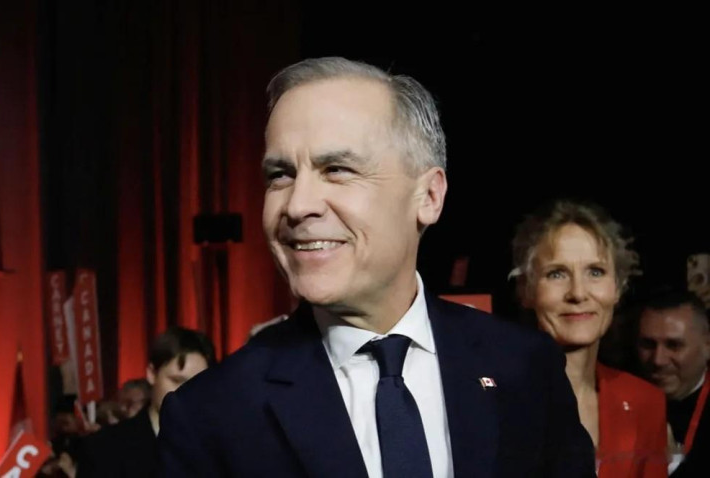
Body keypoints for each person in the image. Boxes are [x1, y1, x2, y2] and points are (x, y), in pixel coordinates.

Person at [159, 57, 594, 477]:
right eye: (280, 175)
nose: (297, 205)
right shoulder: (210, 415)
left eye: (337, 169)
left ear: (429, 196)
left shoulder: (525, 368)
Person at [511, 199, 667, 477]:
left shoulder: (645, 402)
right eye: (557, 274)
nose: (578, 293)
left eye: (596, 272)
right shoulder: (497, 399)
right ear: (526, 290)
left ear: (618, 287)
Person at [77, 326, 215, 477]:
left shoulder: (219, 450)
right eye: (176, 381)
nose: (187, 393)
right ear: (151, 374)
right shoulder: (104, 448)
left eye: (198, 385)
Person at [637, 290, 710, 476]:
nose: (658, 360)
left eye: (674, 345)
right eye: (648, 345)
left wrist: (671, 464)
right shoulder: (620, 399)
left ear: (707, 345)